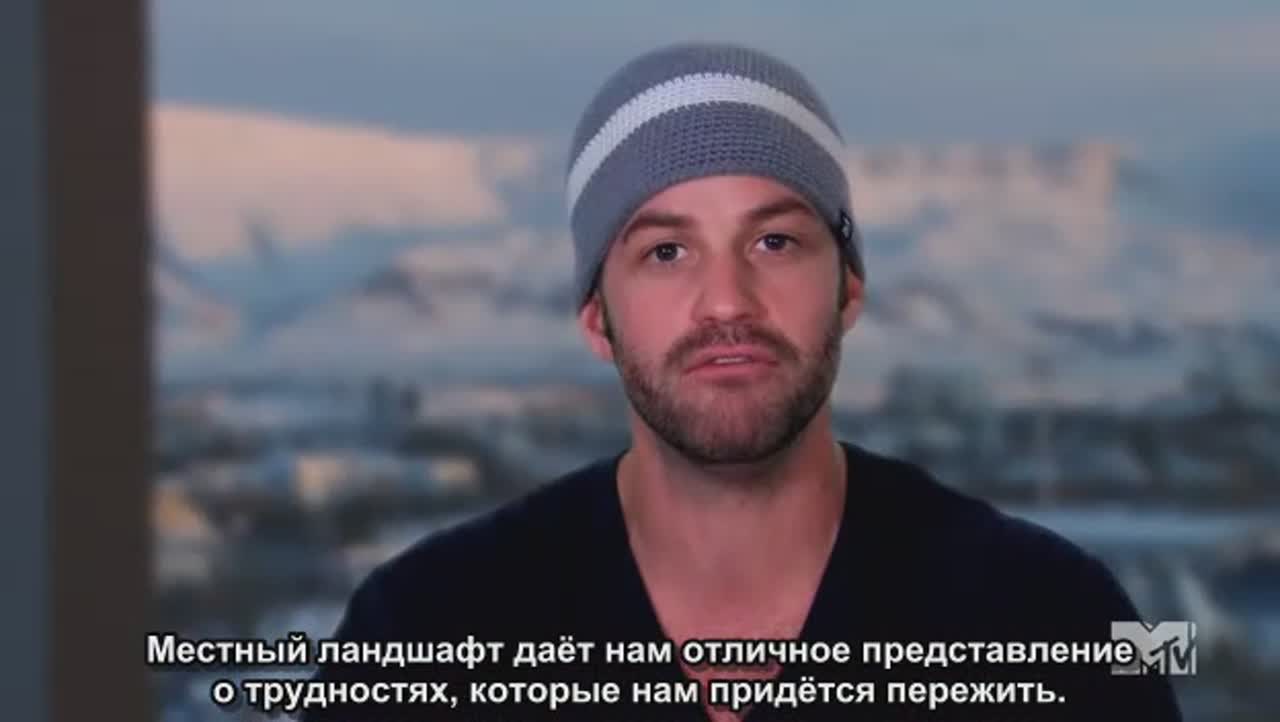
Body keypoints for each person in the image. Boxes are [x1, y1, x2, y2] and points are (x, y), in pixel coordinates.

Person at [303, 42, 1183, 722]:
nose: (726, 299)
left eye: (775, 241)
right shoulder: (426, 633)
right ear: (597, 317)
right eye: (666, 252)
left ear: (848, 287)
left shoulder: (1050, 622)